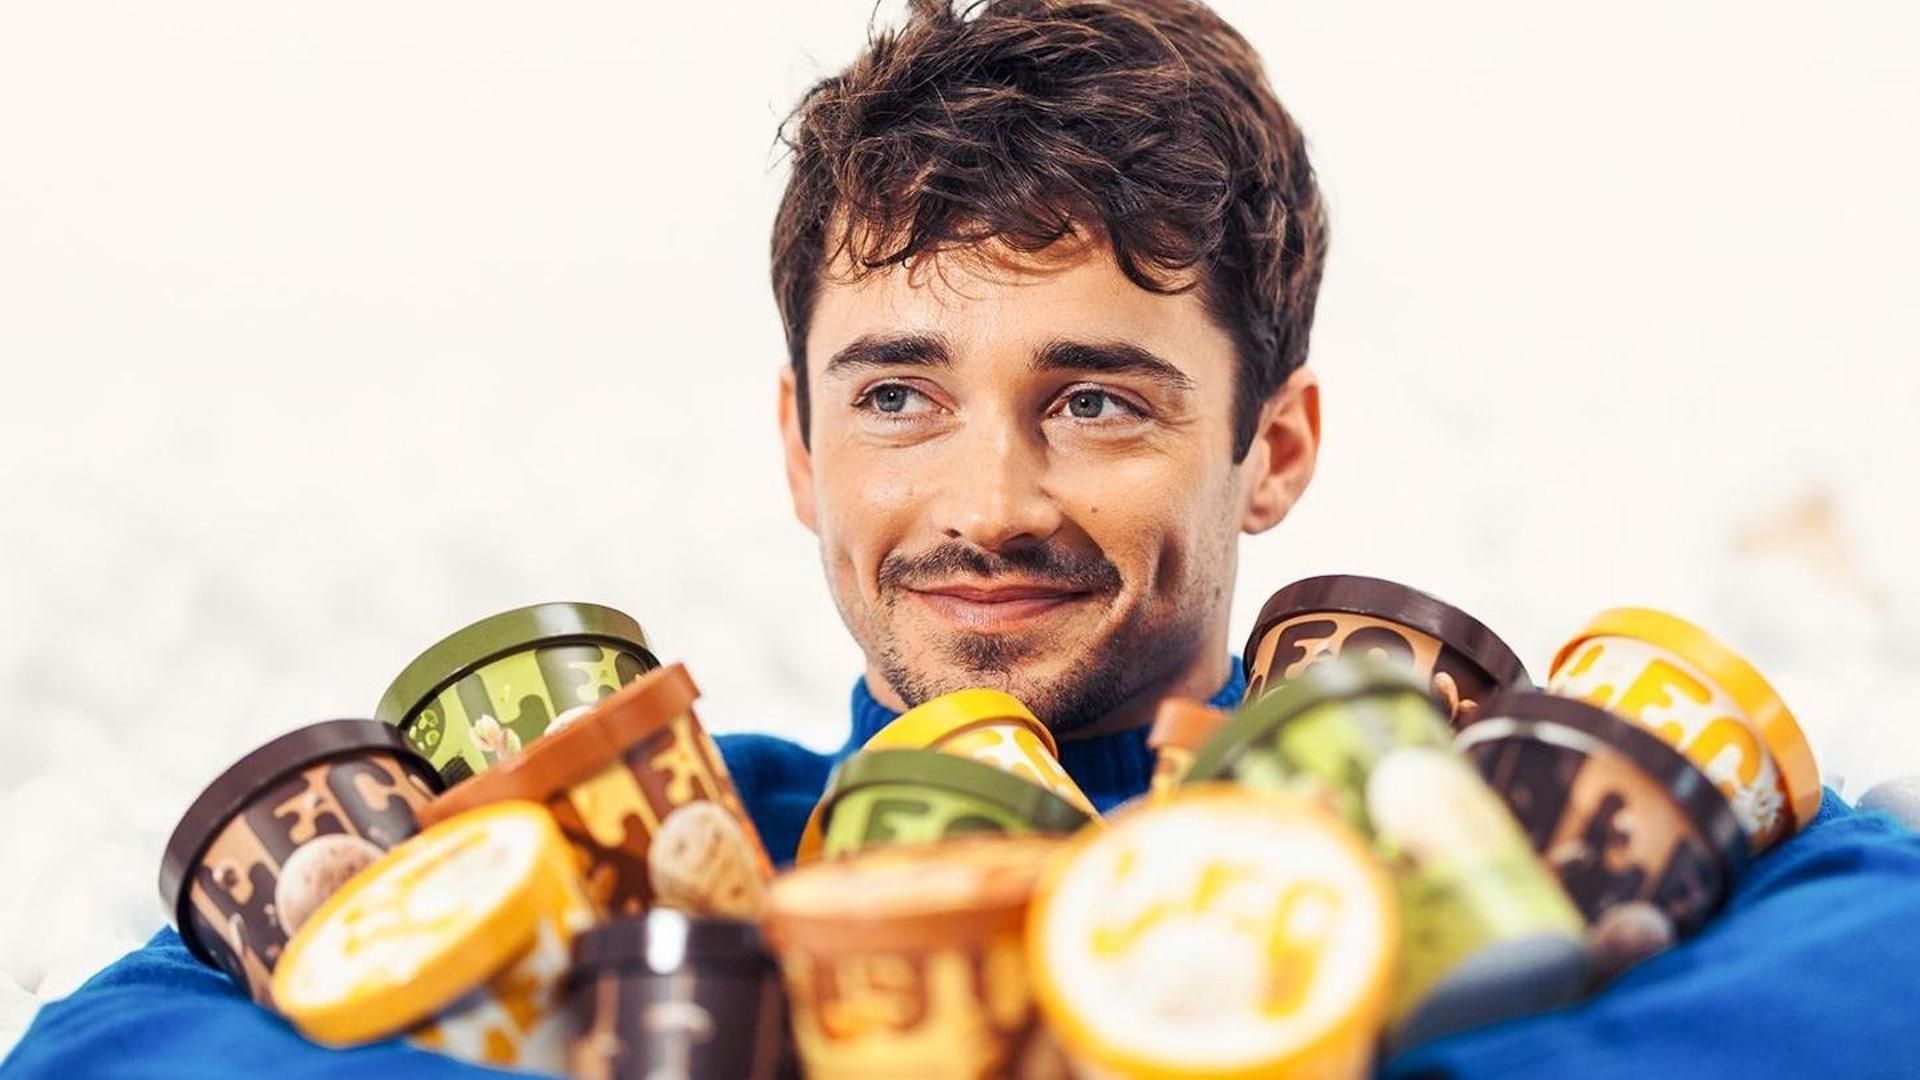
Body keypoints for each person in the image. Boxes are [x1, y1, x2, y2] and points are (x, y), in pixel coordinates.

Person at [7, 1, 1920, 1077]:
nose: (986, 504)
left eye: (1096, 399)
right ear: (800, 444)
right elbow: (111, 1056)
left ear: (1274, 450)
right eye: (900, 395)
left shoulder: (1541, 822)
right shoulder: (689, 851)